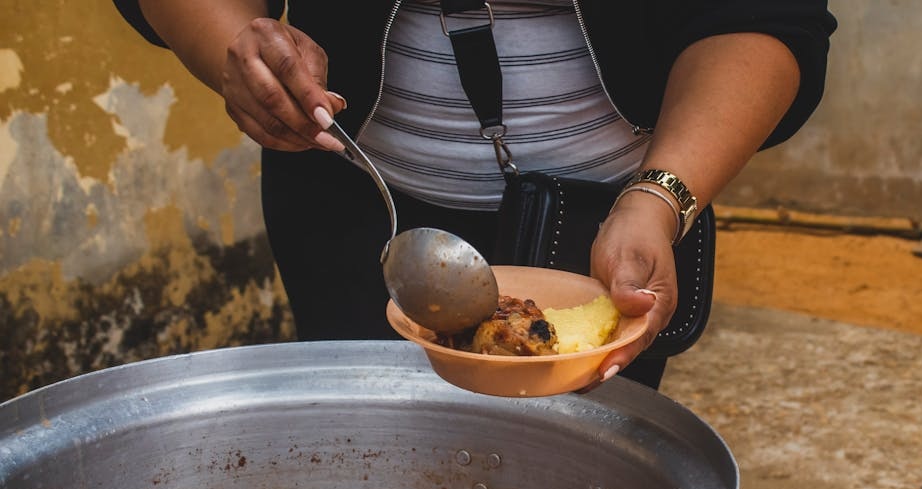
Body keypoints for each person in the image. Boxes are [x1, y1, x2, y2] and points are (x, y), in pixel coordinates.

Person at [112, 0, 837, 389]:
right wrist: (239, 46)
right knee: (370, 483)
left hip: (609, 223)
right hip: (354, 210)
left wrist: (659, 195)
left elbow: (763, 14)